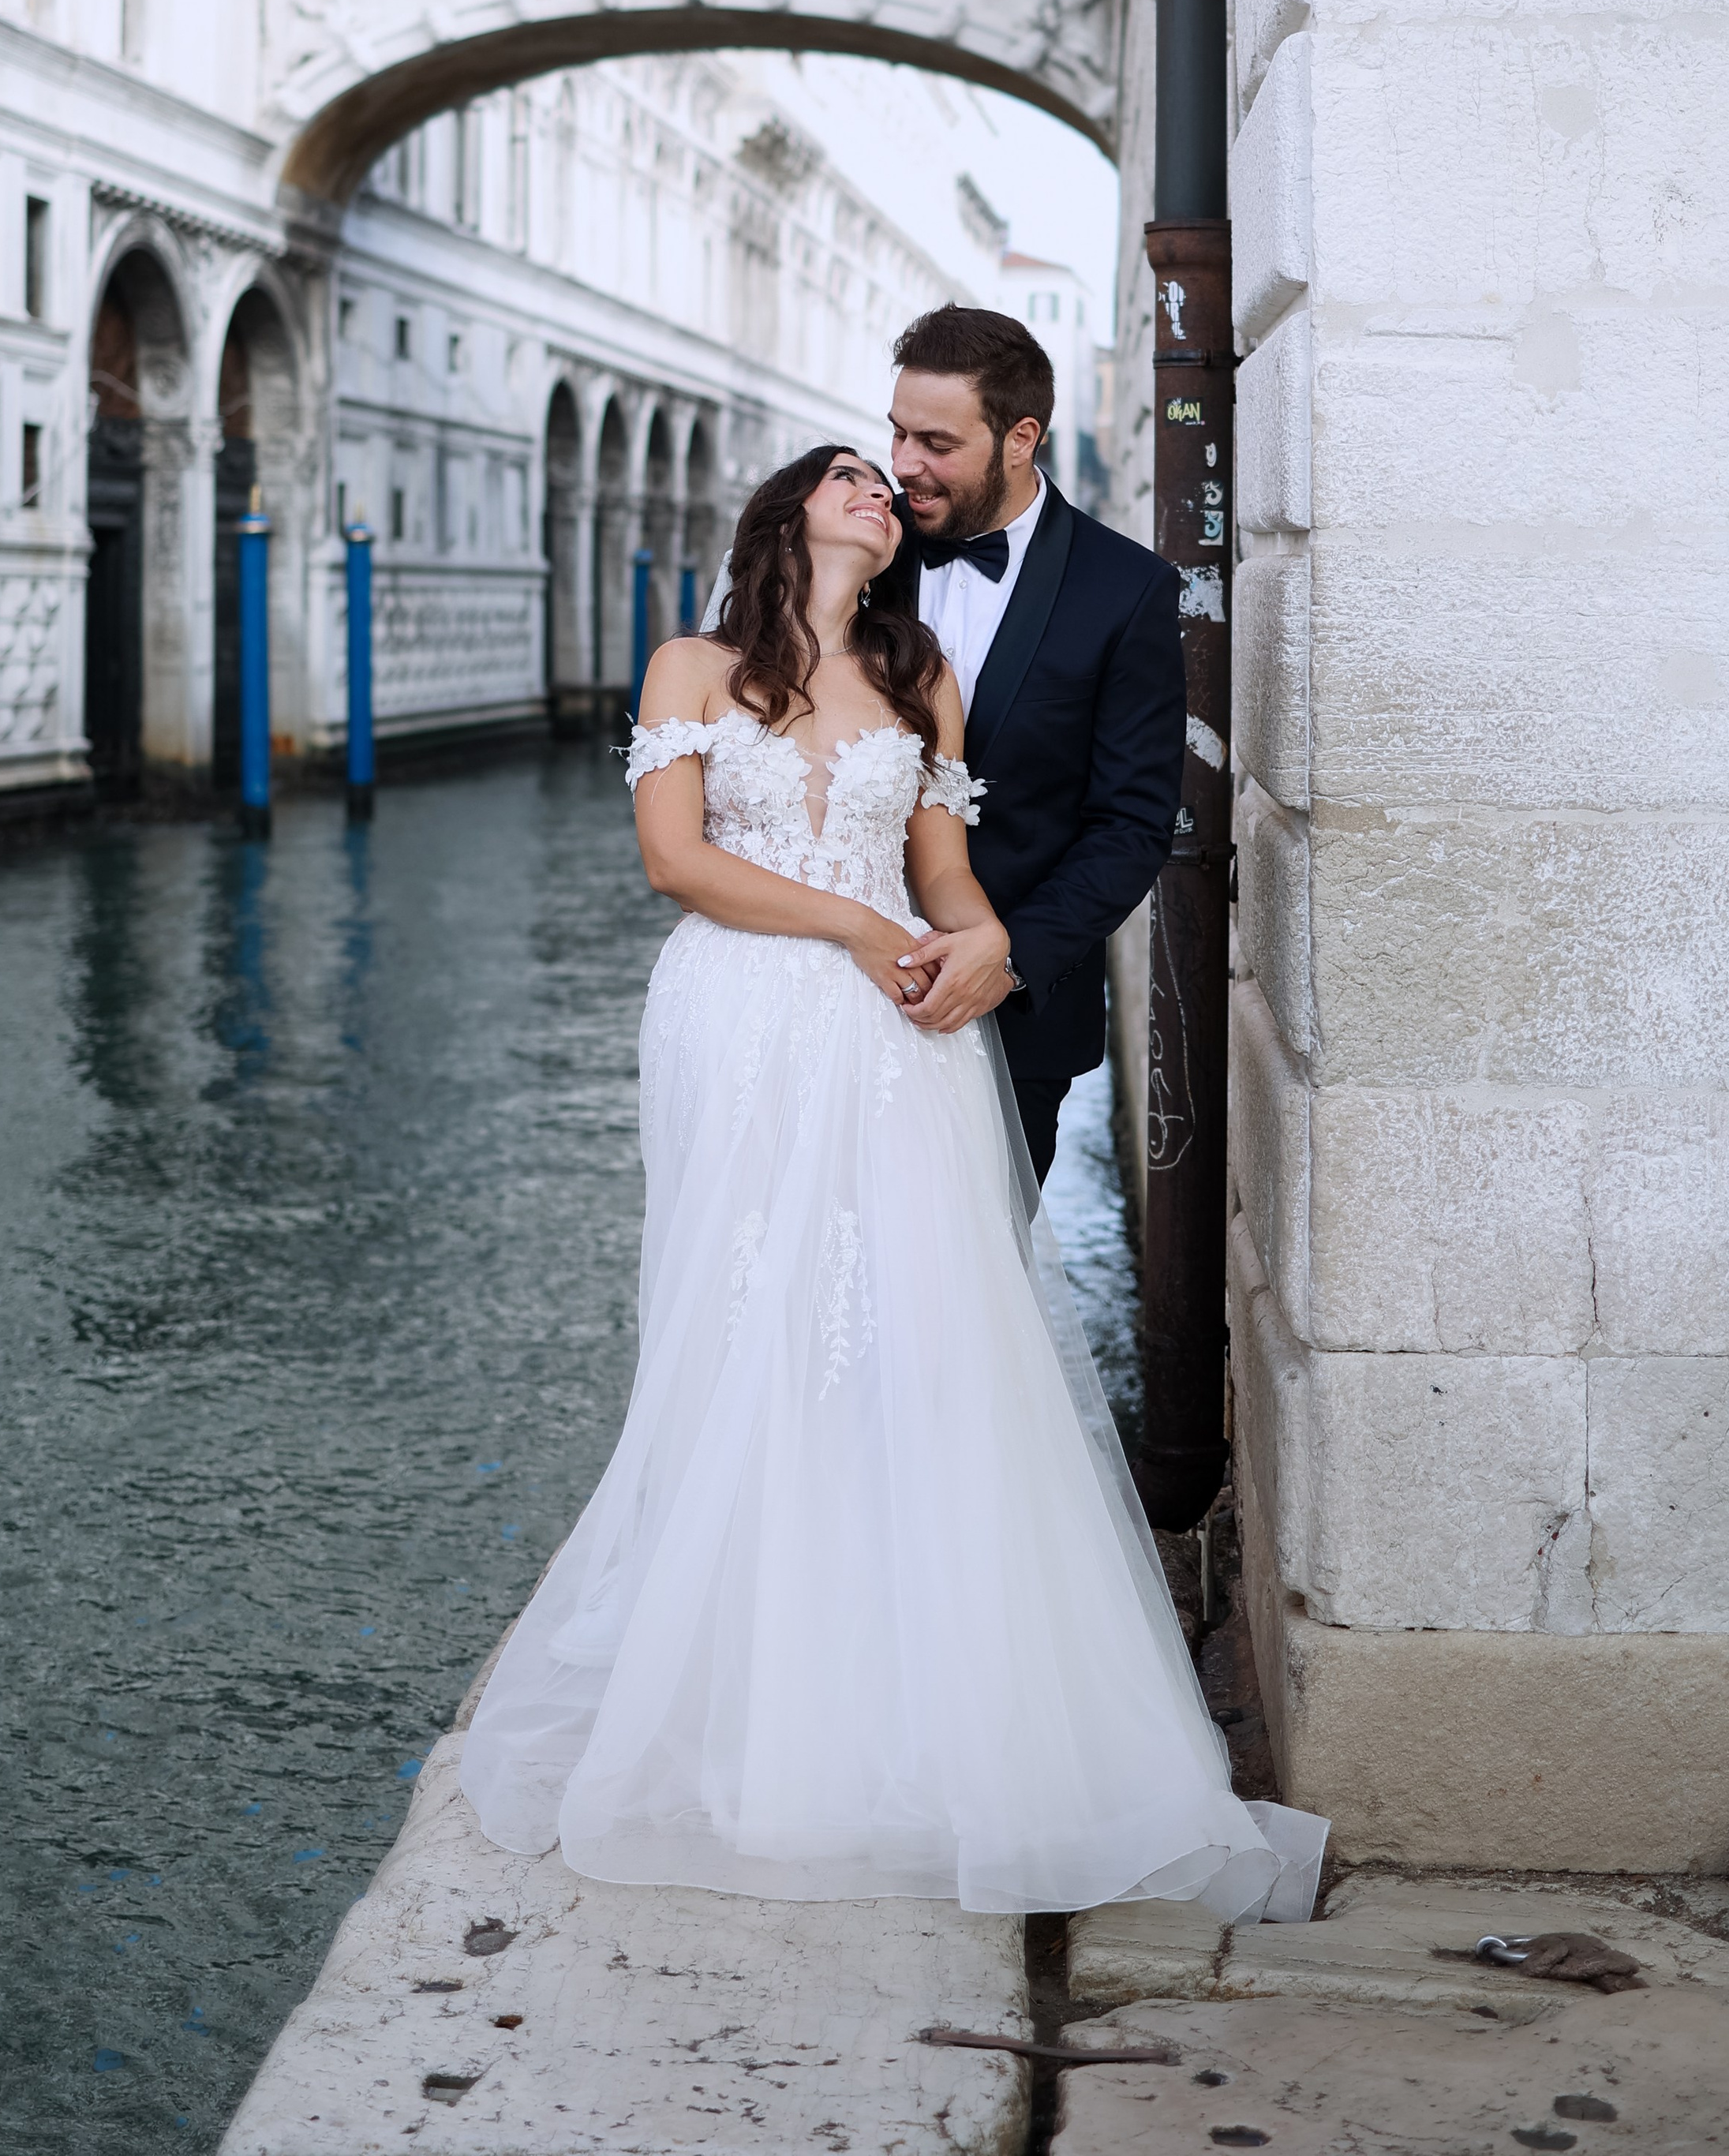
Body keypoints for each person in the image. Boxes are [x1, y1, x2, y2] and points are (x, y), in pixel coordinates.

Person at [458, 444, 1320, 1916]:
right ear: (787, 511)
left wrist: (977, 948)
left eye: (887, 474)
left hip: (896, 1031)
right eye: (848, 473)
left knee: (909, 1325)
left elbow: (945, 872)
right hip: (735, 1015)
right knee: (745, 1309)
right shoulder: (690, 665)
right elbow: (677, 862)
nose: (877, 487)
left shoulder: (919, 677)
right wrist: (859, 934)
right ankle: (737, 1660)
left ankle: (899, 1667)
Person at [881, 303, 1186, 1186]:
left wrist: (1006, 957)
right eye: (897, 434)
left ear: (1020, 437)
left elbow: (1131, 822)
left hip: (1015, 1025)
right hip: (833, 995)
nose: (904, 466)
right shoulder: (856, 549)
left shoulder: (1125, 590)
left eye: (936, 443)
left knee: (976, 1297)